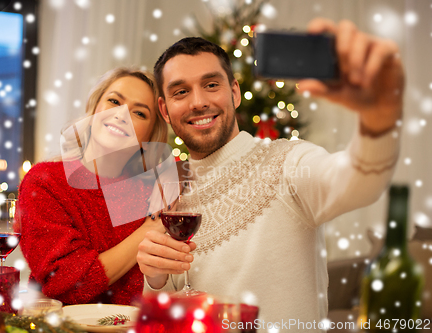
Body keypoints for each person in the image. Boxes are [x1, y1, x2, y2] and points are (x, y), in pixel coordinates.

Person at [137, 18, 403, 330]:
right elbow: (166, 313)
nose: (199, 102)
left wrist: (378, 119)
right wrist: (155, 279)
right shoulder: (170, 190)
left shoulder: (290, 161)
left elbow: (359, 182)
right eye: (181, 91)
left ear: (234, 93)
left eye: (211, 85)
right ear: (165, 110)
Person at [18, 67, 168, 305]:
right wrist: (152, 229)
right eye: (114, 101)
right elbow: (65, 284)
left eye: (139, 113)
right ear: (94, 109)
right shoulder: (44, 182)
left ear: (149, 135)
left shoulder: (155, 191)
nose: (122, 115)